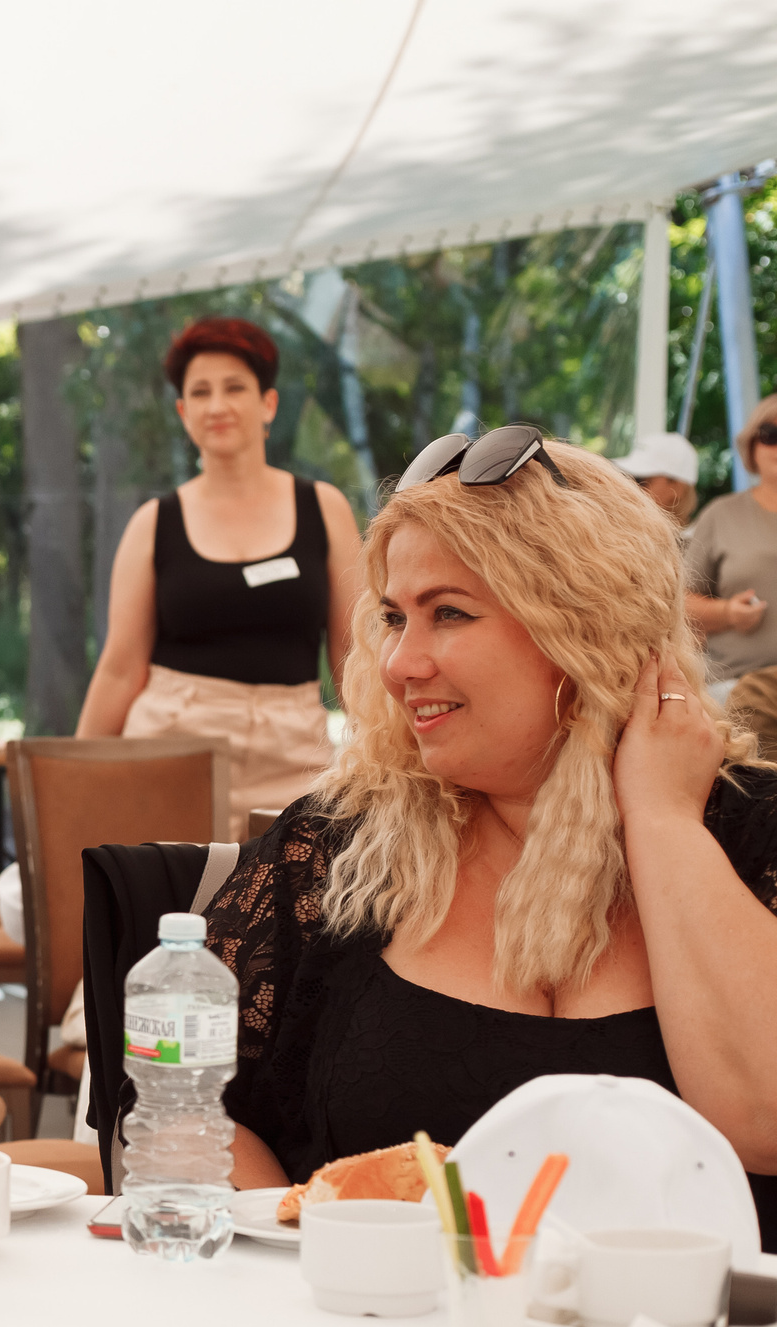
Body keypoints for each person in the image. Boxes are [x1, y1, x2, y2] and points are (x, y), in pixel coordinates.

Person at [204, 428, 777, 1246]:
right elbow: (179, 1099)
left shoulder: (747, 832)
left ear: (584, 630)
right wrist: (305, 1262)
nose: (401, 661)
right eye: (396, 616)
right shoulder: (337, 849)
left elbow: (766, 1120)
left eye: (450, 613)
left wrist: (662, 821)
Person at [76, 317, 363, 841]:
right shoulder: (152, 523)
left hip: (293, 753)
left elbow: (353, 659)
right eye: (200, 393)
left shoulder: (324, 508)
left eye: (235, 388)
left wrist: (385, 758)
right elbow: (120, 669)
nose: (218, 405)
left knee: (286, 914)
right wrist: (71, 784)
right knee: (168, 913)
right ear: (184, 413)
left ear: (268, 404)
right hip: (171, 746)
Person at [683, 397, 777, 690]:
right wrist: (727, 614)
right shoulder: (721, 514)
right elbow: (679, 604)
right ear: (751, 445)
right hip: (738, 686)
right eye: (770, 435)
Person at [617, 430, 701, 527]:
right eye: (627, 479)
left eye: (640, 481)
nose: (630, 488)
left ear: (677, 488)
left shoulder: (701, 540)